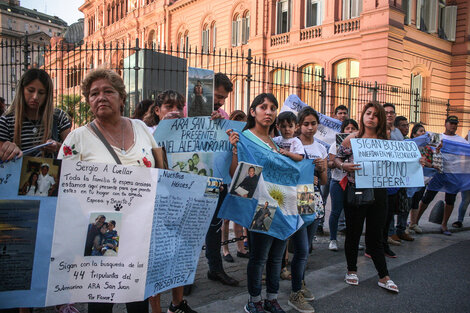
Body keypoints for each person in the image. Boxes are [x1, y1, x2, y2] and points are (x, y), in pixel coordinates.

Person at [58, 68, 157, 313]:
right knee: (101, 302)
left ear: (122, 98)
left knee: (138, 301)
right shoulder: (76, 139)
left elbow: (161, 170)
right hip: (102, 234)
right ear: (89, 101)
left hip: (140, 233)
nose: (100, 97)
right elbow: (62, 189)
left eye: (108, 91)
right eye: (93, 94)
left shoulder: (142, 129)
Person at [227, 93, 288, 313]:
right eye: (264, 107)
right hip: (262, 207)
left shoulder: (276, 142)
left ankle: (272, 298)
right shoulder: (244, 139)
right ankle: (254, 301)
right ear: (253, 112)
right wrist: (234, 149)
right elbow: (236, 174)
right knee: (260, 257)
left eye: (273, 108)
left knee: (276, 257)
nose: (269, 112)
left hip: (282, 206)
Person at [335, 101, 399, 293]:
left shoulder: (386, 141)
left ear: (380, 119)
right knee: (353, 233)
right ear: (363, 116)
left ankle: (384, 276)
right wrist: (343, 166)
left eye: (376, 114)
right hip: (356, 190)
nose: (371, 117)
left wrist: (416, 162)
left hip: (379, 192)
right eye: (368, 113)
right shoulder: (351, 139)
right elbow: (336, 159)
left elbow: (397, 162)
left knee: (376, 235)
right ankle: (352, 270)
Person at [287, 106, 327, 313]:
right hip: (298, 198)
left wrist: (322, 169)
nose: (310, 128)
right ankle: (295, 293)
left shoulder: (320, 148)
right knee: (301, 248)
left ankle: (300, 283)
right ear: (299, 125)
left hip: (315, 199)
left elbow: (325, 180)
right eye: (306, 124)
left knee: (307, 248)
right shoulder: (292, 144)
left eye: (313, 124)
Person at [413, 116, 468, 235]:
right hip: (438, 172)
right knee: (428, 197)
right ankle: (415, 222)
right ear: (446, 124)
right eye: (451, 123)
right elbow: (426, 148)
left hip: (454, 174)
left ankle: (444, 225)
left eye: (455, 124)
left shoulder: (462, 141)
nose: (453, 126)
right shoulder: (438, 137)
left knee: (450, 199)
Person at [0, 68, 71, 161]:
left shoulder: (59, 117)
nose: (35, 97)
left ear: (47, 95)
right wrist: (8, 150)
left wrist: (58, 147)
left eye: (41, 93)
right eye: (30, 90)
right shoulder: (6, 121)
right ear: (22, 90)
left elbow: (73, 151)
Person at [222, 109, 248, 263]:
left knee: (239, 216)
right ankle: (225, 250)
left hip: (242, 178)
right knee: (225, 219)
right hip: (228, 179)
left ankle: (240, 248)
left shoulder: (245, 137)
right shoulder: (227, 137)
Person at [328, 119, 358, 251]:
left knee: (352, 213)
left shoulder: (360, 144)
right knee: (336, 211)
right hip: (337, 182)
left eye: (353, 128)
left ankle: (352, 241)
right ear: (343, 131)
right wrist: (338, 162)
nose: (350, 131)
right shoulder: (335, 144)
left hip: (353, 183)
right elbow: (329, 163)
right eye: (347, 128)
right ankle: (333, 239)